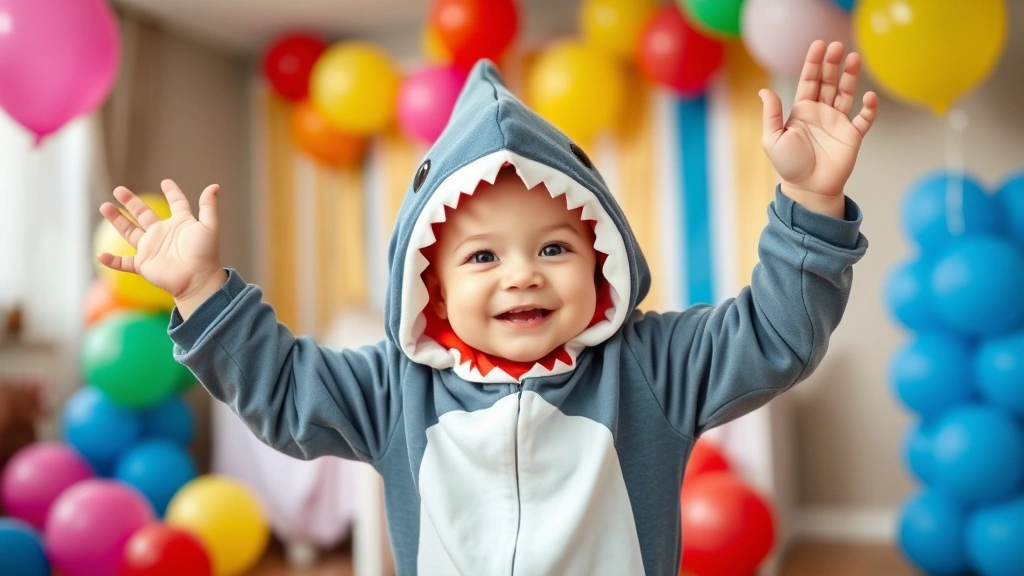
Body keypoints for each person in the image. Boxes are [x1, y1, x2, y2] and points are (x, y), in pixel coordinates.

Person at [98, 40, 876, 576]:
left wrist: (810, 199)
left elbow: (777, 333)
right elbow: (286, 391)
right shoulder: (392, 390)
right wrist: (202, 292)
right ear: (429, 286)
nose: (521, 278)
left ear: (602, 255)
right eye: (481, 256)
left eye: (553, 249)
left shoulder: (653, 367)